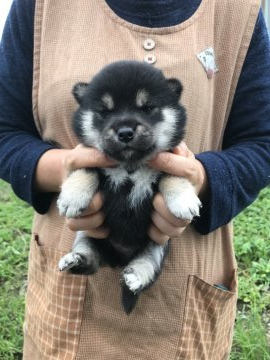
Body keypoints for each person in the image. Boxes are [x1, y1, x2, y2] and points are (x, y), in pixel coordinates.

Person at [0, 0, 269, 359]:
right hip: (64, 307)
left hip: (183, 302)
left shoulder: (239, 10)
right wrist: (65, 169)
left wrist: (202, 177)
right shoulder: (41, 6)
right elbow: (4, 130)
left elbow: (262, 143)